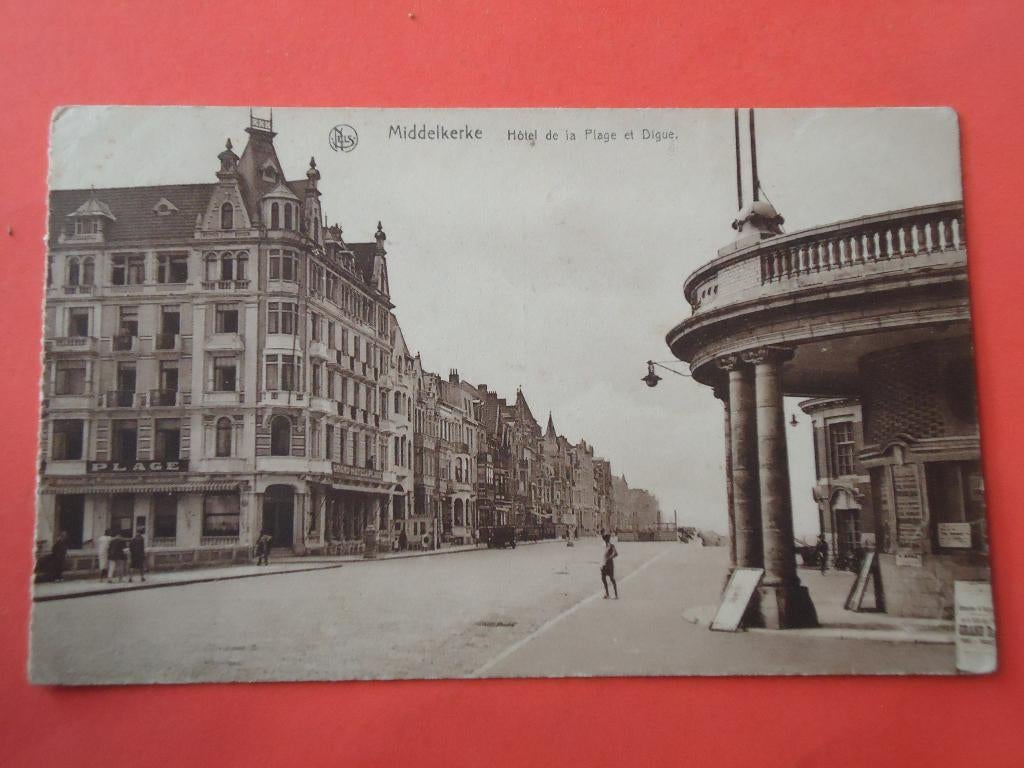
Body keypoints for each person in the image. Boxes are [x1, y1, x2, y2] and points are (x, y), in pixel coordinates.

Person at [600, 533, 618, 599]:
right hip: (604, 564)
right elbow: (602, 556)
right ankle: (607, 594)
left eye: (608, 539)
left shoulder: (611, 546)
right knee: (603, 578)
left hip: (610, 564)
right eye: (606, 539)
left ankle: (616, 594)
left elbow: (616, 553)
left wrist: (610, 557)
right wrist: (601, 564)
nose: (607, 540)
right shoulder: (603, 546)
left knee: (612, 579)